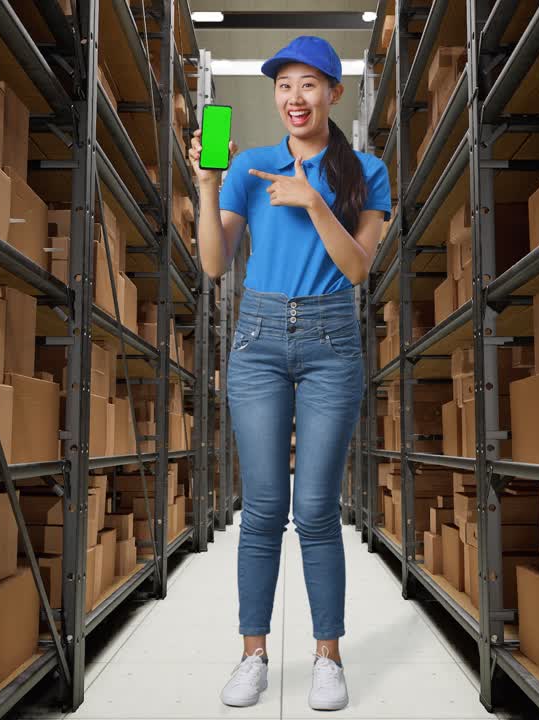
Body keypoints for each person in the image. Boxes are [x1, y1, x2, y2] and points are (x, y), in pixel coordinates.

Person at [189, 35, 391, 711]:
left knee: (315, 511)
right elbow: (215, 265)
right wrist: (208, 184)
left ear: (335, 93)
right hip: (258, 336)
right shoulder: (247, 165)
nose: (294, 97)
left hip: (333, 336)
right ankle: (253, 654)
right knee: (264, 509)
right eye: (283, 86)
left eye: (309, 85)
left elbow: (359, 267)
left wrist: (313, 202)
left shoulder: (367, 170)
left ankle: (327, 657)